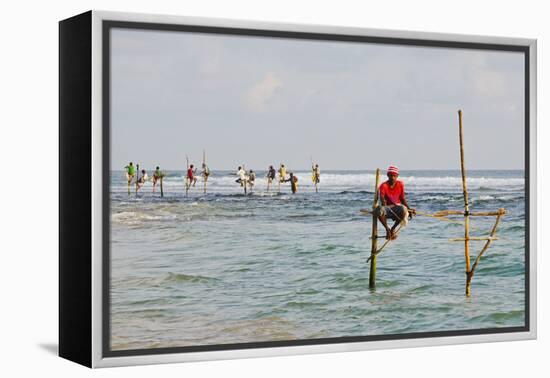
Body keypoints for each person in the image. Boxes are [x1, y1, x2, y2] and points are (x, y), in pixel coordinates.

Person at [374, 166, 415, 240]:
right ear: (388, 176)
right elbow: (382, 197)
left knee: (404, 210)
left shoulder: (400, 184)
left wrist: (409, 209)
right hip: (387, 207)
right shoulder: (384, 185)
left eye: (394, 176)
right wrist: (384, 203)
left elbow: (402, 198)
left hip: (396, 207)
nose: (392, 177)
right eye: (391, 175)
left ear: (397, 176)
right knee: (379, 210)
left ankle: (393, 228)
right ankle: (387, 229)